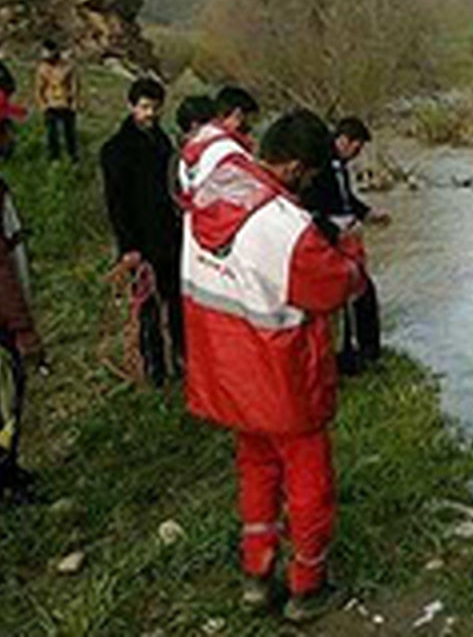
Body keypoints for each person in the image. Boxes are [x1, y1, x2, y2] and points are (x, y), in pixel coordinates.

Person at [183, 108, 365, 622]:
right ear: (296, 169)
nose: (312, 186)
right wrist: (352, 248)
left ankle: (256, 578)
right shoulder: (289, 229)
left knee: (256, 471)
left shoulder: (214, 184)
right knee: (310, 482)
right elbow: (337, 287)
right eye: (311, 176)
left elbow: (202, 141)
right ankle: (308, 586)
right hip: (283, 379)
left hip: (227, 374)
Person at [99, 78, 182, 384]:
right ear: (131, 106)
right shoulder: (115, 150)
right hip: (139, 241)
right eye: (144, 107)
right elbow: (116, 205)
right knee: (146, 308)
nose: (150, 113)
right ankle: (154, 367)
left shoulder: (163, 142)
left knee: (175, 302)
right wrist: (128, 247)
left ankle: (181, 359)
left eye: (155, 107)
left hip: (169, 237)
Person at [0, 86, 43, 510]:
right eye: (6, 127)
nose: (12, 135)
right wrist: (24, 330)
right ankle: (5, 486)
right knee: (2, 400)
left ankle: (8, 474)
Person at [302, 116, 390, 374]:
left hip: (344, 237)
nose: (358, 154)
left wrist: (367, 214)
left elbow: (345, 198)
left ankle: (364, 353)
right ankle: (353, 356)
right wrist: (335, 230)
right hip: (329, 240)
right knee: (349, 297)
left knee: (360, 293)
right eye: (358, 147)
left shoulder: (338, 164)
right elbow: (308, 207)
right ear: (344, 141)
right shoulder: (319, 164)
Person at [33, 39, 81, 162]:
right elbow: (39, 89)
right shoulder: (42, 68)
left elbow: (74, 85)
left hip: (66, 103)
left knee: (70, 134)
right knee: (51, 134)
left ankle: (73, 157)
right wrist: (43, 105)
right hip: (50, 104)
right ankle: (54, 158)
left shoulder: (68, 66)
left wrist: (74, 103)